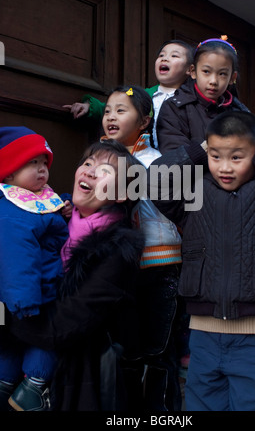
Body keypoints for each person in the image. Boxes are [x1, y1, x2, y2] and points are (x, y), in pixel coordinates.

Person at [148, 110, 255, 411]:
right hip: (205, 336)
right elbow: (155, 179)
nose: (224, 167)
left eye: (237, 157)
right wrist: (198, 149)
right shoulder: (194, 192)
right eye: (216, 156)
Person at [7, 139, 145, 411]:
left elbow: (63, 326)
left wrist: (9, 317)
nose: (90, 172)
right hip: (19, 358)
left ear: (121, 195)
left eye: (105, 171)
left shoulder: (118, 251)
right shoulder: (51, 219)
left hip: (76, 381)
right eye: (87, 163)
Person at [102, 85, 183, 411]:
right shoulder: (99, 159)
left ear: (145, 121)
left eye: (121, 110)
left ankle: (162, 413)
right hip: (121, 267)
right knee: (127, 349)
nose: (111, 116)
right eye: (108, 110)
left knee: (158, 352)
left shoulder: (155, 161)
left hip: (159, 265)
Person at [0, 126, 69, 411]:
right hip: (32, 297)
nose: (42, 170)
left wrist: (62, 207)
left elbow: (46, 221)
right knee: (46, 340)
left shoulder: (33, 199)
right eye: (32, 163)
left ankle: (5, 384)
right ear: (9, 173)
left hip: (18, 299)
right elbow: (17, 257)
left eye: (44, 163)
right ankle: (34, 389)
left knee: (11, 344)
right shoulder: (13, 211)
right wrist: (26, 303)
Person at [63, 39, 195, 149]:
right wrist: (90, 107)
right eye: (161, 55)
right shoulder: (144, 93)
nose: (165, 59)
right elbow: (118, 103)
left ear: (190, 70)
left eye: (174, 56)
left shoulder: (191, 98)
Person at [156, 35, 250, 153]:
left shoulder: (241, 114)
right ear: (193, 72)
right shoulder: (174, 108)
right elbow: (172, 159)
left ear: (232, 78)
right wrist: (206, 149)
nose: (213, 81)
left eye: (222, 74)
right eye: (206, 71)